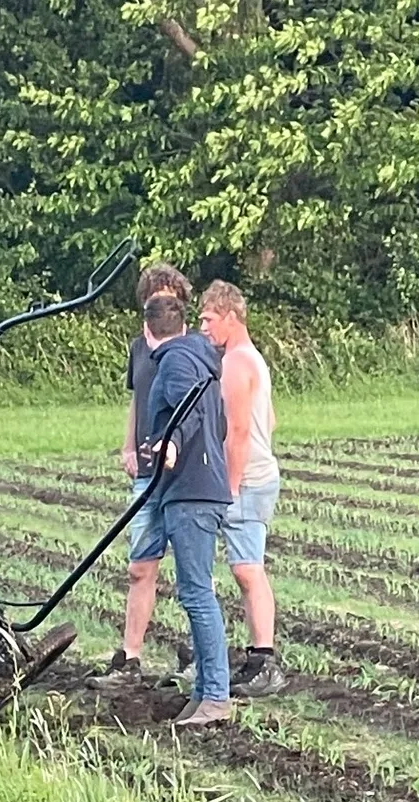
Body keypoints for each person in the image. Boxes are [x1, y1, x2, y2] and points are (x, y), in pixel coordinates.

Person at [179, 278, 287, 696]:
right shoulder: (251, 359)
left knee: (246, 569)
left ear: (229, 316)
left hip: (247, 480)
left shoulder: (237, 364)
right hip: (256, 475)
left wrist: (228, 487)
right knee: (241, 569)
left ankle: (263, 662)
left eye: (207, 319)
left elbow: (237, 432)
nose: (203, 327)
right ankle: (223, 655)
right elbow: (271, 421)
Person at [90, 263, 192, 690]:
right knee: (139, 567)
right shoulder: (139, 349)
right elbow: (138, 399)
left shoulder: (198, 350)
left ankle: (197, 655)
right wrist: (129, 446)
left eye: (169, 296)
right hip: (147, 474)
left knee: (192, 571)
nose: (162, 303)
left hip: (185, 475)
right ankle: (130, 658)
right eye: (155, 297)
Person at [139, 294, 235, 726]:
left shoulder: (176, 362)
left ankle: (216, 695)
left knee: (197, 594)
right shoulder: (200, 360)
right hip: (200, 486)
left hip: (191, 492)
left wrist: (172, 443)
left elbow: (189, 411)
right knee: (194, 592)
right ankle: (201, 694)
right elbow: (218, 422)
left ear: (147, 331)